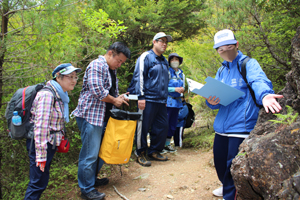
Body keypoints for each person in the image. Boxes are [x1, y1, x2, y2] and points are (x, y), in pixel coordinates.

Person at [205, 29, 283, 200]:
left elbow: (258, 80)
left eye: (228, 46)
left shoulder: (248, 64)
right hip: (221, 127)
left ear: (236, 45)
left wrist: (265, 95)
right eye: (220, 49)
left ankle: (230, 194)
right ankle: (226, 186)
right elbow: (217, 97)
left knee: (233, 167)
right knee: (220, 164)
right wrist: (211, 101)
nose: (224, 51)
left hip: (241, 126)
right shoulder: (221, 70)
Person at [71, 42, 131, 200]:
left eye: (122, 63)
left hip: (104, 117)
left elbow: (110, 93)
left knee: (102, 152)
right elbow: (97, 91)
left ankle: (91, 180)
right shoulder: (97, 65)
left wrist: (120, 98)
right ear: (111, 53)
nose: (119, 64)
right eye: (119, 61)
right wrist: (114, 101)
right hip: (91, 117)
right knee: (89, 155)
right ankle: (86, 189)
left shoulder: (111, 70)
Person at [25, 63, 82, 199]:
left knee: (40, 182)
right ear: (58, 77)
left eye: (75, 77)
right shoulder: (47, 95)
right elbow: (41, 128)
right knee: (37, 183)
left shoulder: (61, 96)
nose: (74, 80)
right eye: (70, 77)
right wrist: (41, 156)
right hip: (40, 145)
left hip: (48, 145)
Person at [128, 32, 172, 167]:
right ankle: (140, 153)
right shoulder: (146, 57)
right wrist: (141, 97)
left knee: (162, 127)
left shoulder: (164, 60)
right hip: (147, 99)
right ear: (154, 42)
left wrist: (165, 98)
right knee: (143, 127)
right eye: (161, 41)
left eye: (166, 42)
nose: (164, 44)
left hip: (161, 100)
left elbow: (165, 80)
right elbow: (139, 77)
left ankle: (154, 151)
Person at [163, 53, 185, 153]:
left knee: (173, 123)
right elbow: (162, 87)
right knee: (165, 123)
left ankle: (167, 144)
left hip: (178, 102)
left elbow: (185, 87)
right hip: (168, 100)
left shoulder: (182, 74)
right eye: (172, 60)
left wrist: (182, 89)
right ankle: (160, 145)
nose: (174, 61)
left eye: (177, 59)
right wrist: (174, 89)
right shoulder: (167, 72)